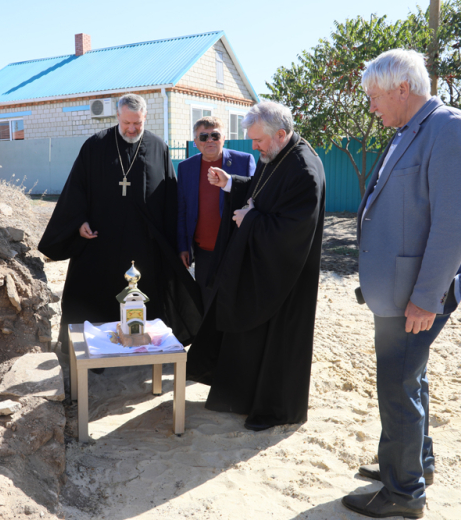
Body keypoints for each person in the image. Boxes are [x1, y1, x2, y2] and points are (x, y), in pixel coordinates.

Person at [341, 49, 461, 519]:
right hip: (399, 288)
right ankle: (414, 463)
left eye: (374, 97)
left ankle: (404, 493)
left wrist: (427, 298)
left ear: (401, 88)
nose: (371, 107)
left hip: (418, 292)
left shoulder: (448, 127)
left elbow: (455, 222)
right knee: (411, 377)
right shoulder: (410, 129)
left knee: (398, 383)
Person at [186, 101, 326, 431]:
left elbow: (291, 229)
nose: (254, 147)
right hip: (261, 269)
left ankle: (272, 408)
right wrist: (231, 183)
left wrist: (250, 220)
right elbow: (260, 191)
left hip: (284, 277)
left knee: (275, 344)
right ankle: (243, 396)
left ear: (280, 134)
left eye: (258, 140)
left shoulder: (304, 169)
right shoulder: (275, 154)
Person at [38, 94, 202, 355]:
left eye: (137, 123)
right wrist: (79, 221)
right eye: (127, 123)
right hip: (102, 241)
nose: (132, 129)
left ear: (145, 117)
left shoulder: (158, 147)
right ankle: (94, 352)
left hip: (144, 246)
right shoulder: (95, 146)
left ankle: (143, 351)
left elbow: (171, 201)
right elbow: (76, 189)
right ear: (117, 117)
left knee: (146, 298)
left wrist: (179, 244)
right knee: (94, 296)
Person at [177, 117, 255, 312]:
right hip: (204, 253)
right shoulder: (186, 168)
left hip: (235, 249)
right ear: (195, 142)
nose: (209, 140)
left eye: (215, 135)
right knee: (206, 303)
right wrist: (183, 246)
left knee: (234, 303)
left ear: (224, 138)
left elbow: (255, 199)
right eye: (203, 136)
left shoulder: (243, 161)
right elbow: (182, 210)